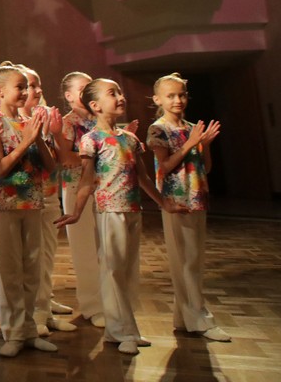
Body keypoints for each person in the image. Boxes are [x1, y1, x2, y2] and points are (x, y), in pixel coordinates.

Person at [57, 78, 168, 355]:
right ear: (95, 105)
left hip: (132, 210)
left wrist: (164, 203)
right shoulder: (91, 139)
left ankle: (125, 328)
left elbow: (143, 177)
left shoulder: (130, 139)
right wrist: (76, 212)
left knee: (128, 271)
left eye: (120, 92)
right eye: (112, 93)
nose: (120, 97)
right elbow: (86, 180)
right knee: (113, 270)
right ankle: (120, 331)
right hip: (109, 211)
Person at [147, 73, 229, 342]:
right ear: (158, 99)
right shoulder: (158, 129)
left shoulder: (191, 127)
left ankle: (184, 318)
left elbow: (205, 167)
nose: (178, 100)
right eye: (171, 95)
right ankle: (200, 318)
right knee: (186, 261)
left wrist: (204, 146)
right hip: (176, 201)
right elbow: (165, 167)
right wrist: (191, 144)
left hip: (197, 198)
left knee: (193, 260)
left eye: (181, 94)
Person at [0, 63, 58, 358]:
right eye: (20, 87)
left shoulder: (30, 122)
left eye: (26, 87)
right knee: (11, 271)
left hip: (33, 203)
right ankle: (13, 332)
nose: (26, 92)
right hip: (5, 205)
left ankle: (29, 329)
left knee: (32, 269)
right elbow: (1, 168)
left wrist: (37, 136)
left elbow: (51, 167)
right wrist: (27, 139)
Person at [19, 66, 77, 337]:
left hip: (50, 194)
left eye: (37, 84)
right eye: (31, 85)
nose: (37, 90)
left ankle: (45, 306)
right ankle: (36, 313)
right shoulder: (13, 119)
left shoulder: (45, 115)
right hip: (27, 197)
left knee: (47, 255)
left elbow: (57, 161)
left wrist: (54, 133)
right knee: (32, 258)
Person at [56, 71, 105, 327]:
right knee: (84, 248)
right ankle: (92, 305)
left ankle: (110, 302)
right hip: (76, 188)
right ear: (69, 95)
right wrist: (95, 157)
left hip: (104, 188)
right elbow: (66, 158)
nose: (88, 93)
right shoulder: (68, 123)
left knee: (105, 247)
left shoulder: (100, 119)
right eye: (83, 88)